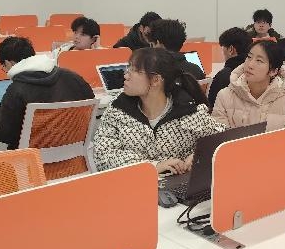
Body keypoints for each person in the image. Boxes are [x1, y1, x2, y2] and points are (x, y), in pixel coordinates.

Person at [93, 48, 223, 172]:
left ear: (155, 80)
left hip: (178, 183)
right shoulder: (118, 108)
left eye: (134, 70)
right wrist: (153, 166)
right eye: (128, 68)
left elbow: (222, 140)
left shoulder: (187, 110)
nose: (126, 75)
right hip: (134, 183)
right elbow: (102, 154)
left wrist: (199, 155)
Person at [0, 37, 94, 150]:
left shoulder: (16, 90)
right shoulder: (73, 77)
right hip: (73, 154)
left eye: (4, 67)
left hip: (33, 158)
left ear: (8, 63)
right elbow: (89, 109)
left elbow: (4, 134)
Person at [211, 39, 285, 131]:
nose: (250, 65)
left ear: (273, 71)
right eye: (249, 57)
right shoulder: (224, 96)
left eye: (259, 61)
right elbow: (219, 136)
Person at [207, 27, 250, 109]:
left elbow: (211, 105)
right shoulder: (256, 71)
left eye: (222, 48)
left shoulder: (224, 76)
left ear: (231, 49)